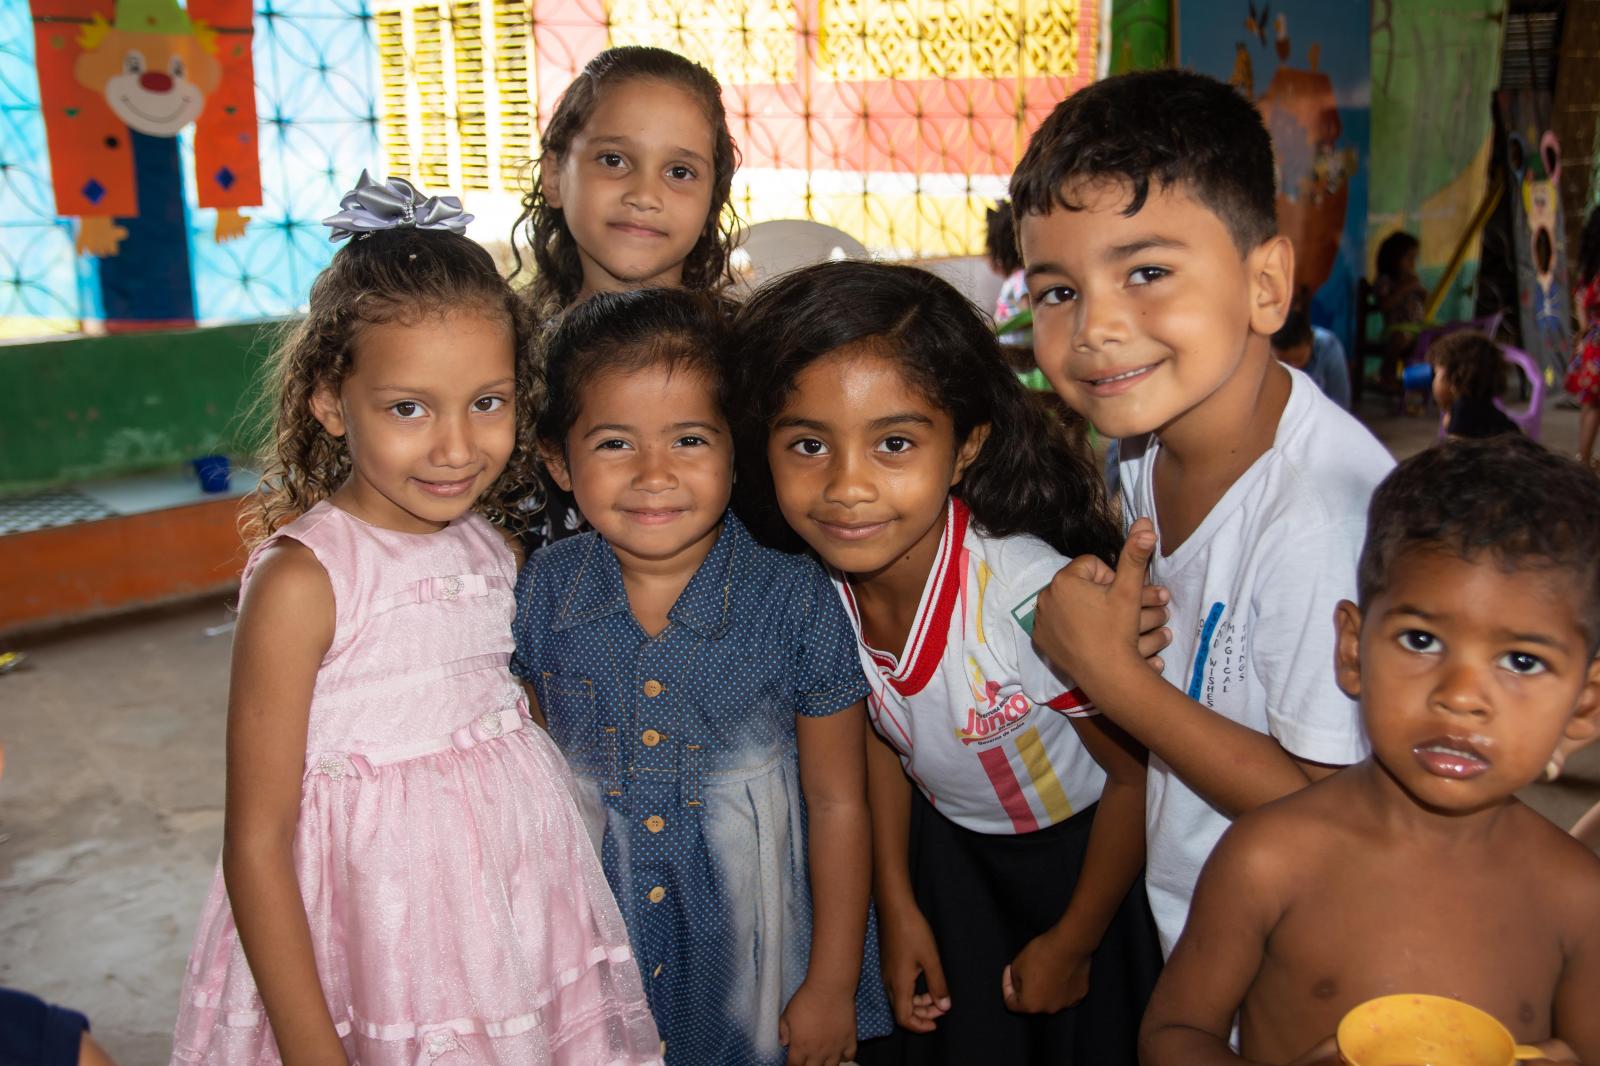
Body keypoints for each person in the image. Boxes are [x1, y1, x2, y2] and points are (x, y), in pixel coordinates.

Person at [170, 173, 662, 1065]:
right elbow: (255, 841)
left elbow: (514, 726)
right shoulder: (305, 581)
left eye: (489, 402)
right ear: (329, 401)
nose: (455, 445)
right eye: (408, 409)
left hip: (502, 931)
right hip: (375, 941)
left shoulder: (493, 554)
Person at [731, 260, 1166, 1064]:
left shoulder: (1026, 601)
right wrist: (896, 907)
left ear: (965, 448)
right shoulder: (818, 587)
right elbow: (887, 741)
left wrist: (1073, 942)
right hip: (951, 854)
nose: (847, 488)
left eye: (893, 443)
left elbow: (1138, 777)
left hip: (1088, 866)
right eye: (807, 444)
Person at [1010, 68, 1395, 956]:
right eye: (1057, 291)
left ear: (1266, 286)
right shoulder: (1142, 445)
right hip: (1199, 918)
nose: (1094, 327)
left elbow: (1332, 809)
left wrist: (1114, 679)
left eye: (1146, 271)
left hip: (1306, 960)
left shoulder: (1321, 520)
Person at [509, 287, 891, 1066]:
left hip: (762, 956)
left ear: (734, 449)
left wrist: (830, 983)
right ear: (558, 458)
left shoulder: (796, 598)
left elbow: (838, 800)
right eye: (615, 444)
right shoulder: (539, 591)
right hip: (593, 949)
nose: (655, 475)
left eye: (688, 440)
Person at [1140, 437, 1600, 1066]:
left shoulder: (1579, 899)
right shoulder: (1269, 858)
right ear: (1353, 651)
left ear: (1584, 704)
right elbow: (1173, 1037)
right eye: (1421, 639)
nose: (1462, 697)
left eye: (1522, 661)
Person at [508, 44, 743, 549]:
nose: (644, 194)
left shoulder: (753, 350)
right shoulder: (506, 359)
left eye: (679, 172)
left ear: (713, 198)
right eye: (614, 160)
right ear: (553, 175)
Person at [1429, 330, 1520, 439]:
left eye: (1436, 374)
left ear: (1454, 381)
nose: (1433, 381)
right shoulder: (1485, 409)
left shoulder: (1463, 410)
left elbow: (1454, 453)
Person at [1564, 206, 1600, 467]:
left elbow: (1581, 306)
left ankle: (1583, 461)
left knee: (1590, 406)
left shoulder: (1588, 271)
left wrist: (1586, 333)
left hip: (1592, 346)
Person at [1270, 307, 1351, 411]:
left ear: (1311, 342)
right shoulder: (1265, 353)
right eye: (1285, 363)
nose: (1294, 368)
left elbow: (1341, 403)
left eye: (1298, 360)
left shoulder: (1329, 348)